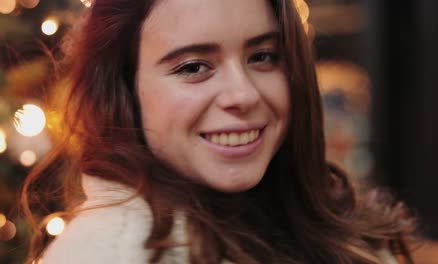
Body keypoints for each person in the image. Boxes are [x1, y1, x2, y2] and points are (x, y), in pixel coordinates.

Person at [20, 0, 416, 263]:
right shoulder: (105, 253)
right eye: (193, 67)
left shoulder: (331, 216)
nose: (243, 95)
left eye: (263, 57)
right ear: (125, 90)